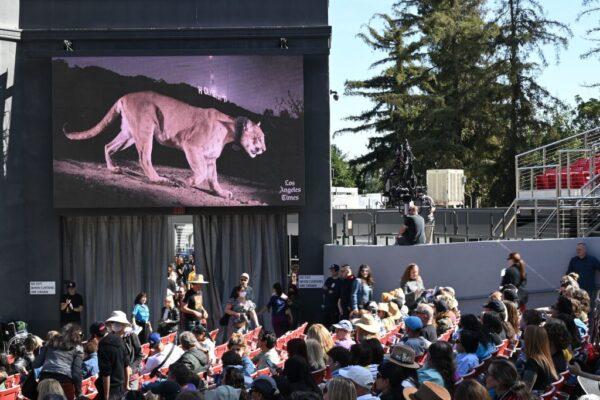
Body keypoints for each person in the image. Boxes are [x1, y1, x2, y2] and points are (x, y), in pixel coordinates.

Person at [33, 323, 83, 398]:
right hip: (64, 382)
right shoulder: (78, 348)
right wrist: (79, 392)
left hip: (45, 380)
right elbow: (76, 374)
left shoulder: (49, 342)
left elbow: (36, 364)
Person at [521, 325, 557, 392]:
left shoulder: (533, 362)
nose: (522, 340)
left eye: (524, 337)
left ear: (530, 341)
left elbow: (525, 391)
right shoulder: (544, 358)